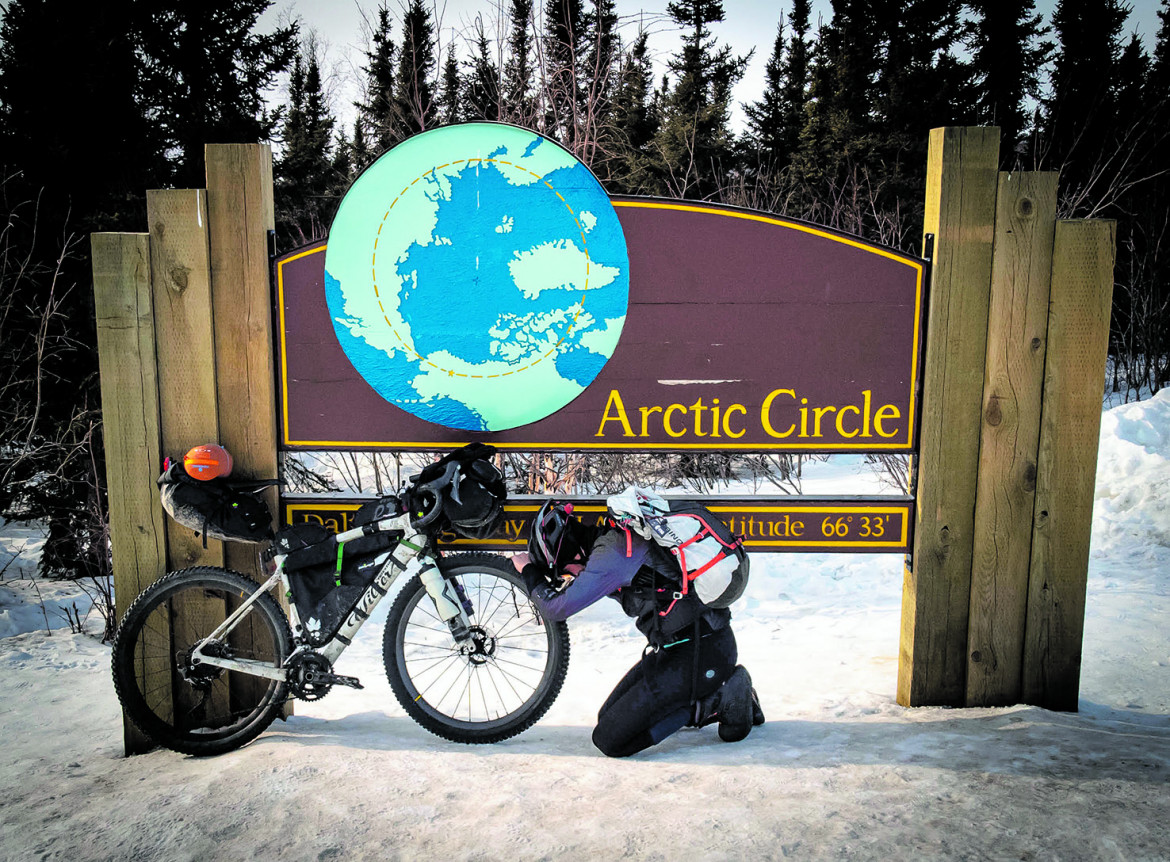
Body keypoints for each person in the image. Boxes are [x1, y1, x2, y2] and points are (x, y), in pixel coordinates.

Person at [513, 501, 764, 757]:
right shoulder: (613, 543)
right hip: (675, 650)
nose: (573, 578)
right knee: (607, 717)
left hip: (700, 653)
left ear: (573, 553)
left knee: (610, 740)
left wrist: (529, 571)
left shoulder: (612, 555)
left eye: (567, 572)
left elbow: (556, 608)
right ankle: (712, 695)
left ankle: (719, 699)